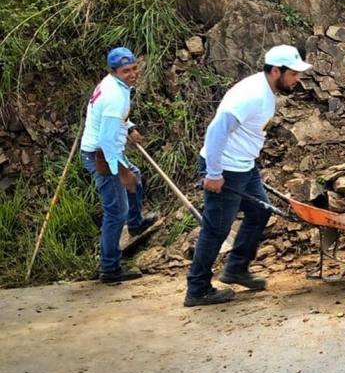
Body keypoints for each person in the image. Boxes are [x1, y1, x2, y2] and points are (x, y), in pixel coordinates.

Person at [185, 45, 312, 307]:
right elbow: (217, 130)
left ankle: (236, 269)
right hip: (226, 169)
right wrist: (214, 172)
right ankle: (197, 289)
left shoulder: (266, 90)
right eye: (294, 74)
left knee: (259, 212)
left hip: (244, 167)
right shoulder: (251, 94)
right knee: (216, 228)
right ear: (276, 71)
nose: (297, 80)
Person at [80, 47, 158, 283]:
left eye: (134, 68)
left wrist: (130, 127)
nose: (133, 74)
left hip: (107, 149)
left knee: (136, 175)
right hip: (101, 155)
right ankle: (109, 268)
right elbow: (105, 142)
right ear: (113, 71)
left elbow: (115, 117)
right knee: (115, 212)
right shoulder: (114, 95)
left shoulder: (114, 86)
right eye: (126, 71)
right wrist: (120, 172)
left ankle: (135, 224)